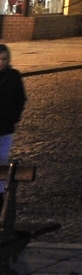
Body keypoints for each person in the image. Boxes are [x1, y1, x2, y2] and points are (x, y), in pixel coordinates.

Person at [0, 45, 24, 194]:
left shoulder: (13, 76)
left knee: (2, 161)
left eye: (4, 59)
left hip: (5, 127)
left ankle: (1, 194)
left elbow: (20, 99)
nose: (1, 62)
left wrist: (13, 118)